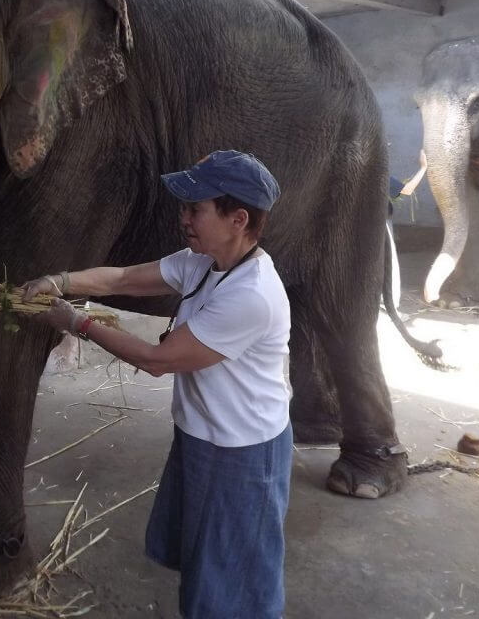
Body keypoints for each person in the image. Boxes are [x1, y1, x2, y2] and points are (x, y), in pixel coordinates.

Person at [23, 150, 292, 619]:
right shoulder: (204, 263)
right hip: (203, 438)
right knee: (207, 566)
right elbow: (125, 278)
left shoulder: (252, 294)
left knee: (232, 582)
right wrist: (59, 280)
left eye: (196, 209)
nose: (183, 217)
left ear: (238, 219)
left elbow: (157, 359)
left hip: (241, 453)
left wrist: (76, 322)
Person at [386, 149, 429, 308]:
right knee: (389, 262)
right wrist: (424, 167)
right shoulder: (379, 175)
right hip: (381, 225)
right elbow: (408, 190)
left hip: (360, 226)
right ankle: (389, 302)